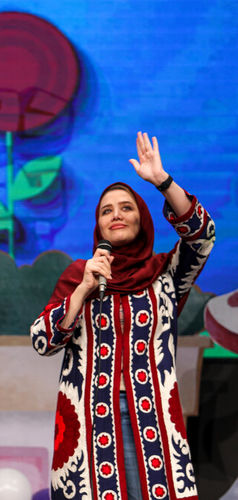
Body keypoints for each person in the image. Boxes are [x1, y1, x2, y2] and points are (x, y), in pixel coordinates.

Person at [30, 132, 214, 500]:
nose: (116, 214)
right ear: (98, 226)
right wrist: (82, 290)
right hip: (89, 423)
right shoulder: (80, 275)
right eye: (106, 211)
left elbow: (201, 237)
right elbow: (42, 341)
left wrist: (162, 181)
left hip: (154, 420)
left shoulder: (167, 274)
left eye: (126, 207)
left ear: (142, 219)